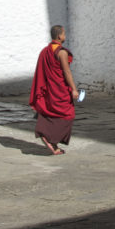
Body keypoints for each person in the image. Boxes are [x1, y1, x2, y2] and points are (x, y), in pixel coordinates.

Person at [29, 24, 79, 155]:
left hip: (49, 88)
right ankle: (50, 139)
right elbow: (66, 72)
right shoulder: (61, 52)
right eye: (64, 33)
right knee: (68, 114)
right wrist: (74, 89)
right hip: (59, 89)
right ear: (59, 36)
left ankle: (53, 144)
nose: (65, 36)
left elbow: (41, 71)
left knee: (49, 111)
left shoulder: (45, 51)